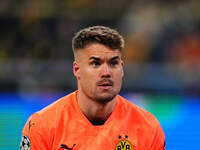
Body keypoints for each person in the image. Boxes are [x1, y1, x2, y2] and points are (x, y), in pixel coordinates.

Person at [20, 26, 165, 150]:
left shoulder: (148, 127)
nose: (106, 72)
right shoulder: (42, 125)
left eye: (113, 63)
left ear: (121, 69)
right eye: (96, 63)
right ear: (77, 69)